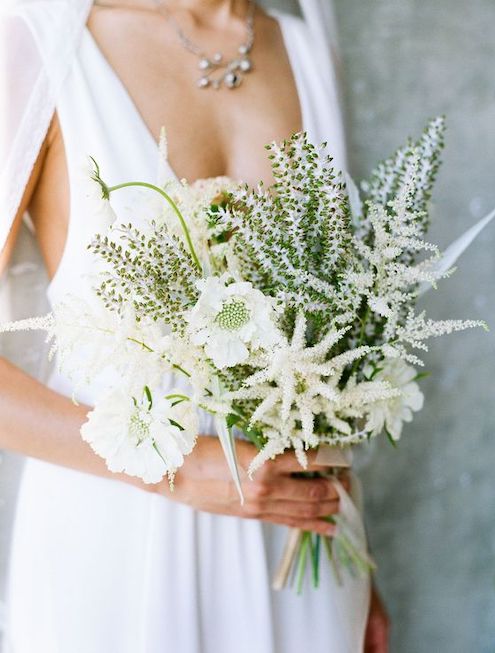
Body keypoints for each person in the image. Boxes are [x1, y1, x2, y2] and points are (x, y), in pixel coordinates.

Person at [0, 1, 389, 651]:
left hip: (302, 554)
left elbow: (326, 343)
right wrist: (176, 467)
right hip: (120, 546)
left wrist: (361, 561)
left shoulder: (305, 48)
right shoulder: (42, 39)